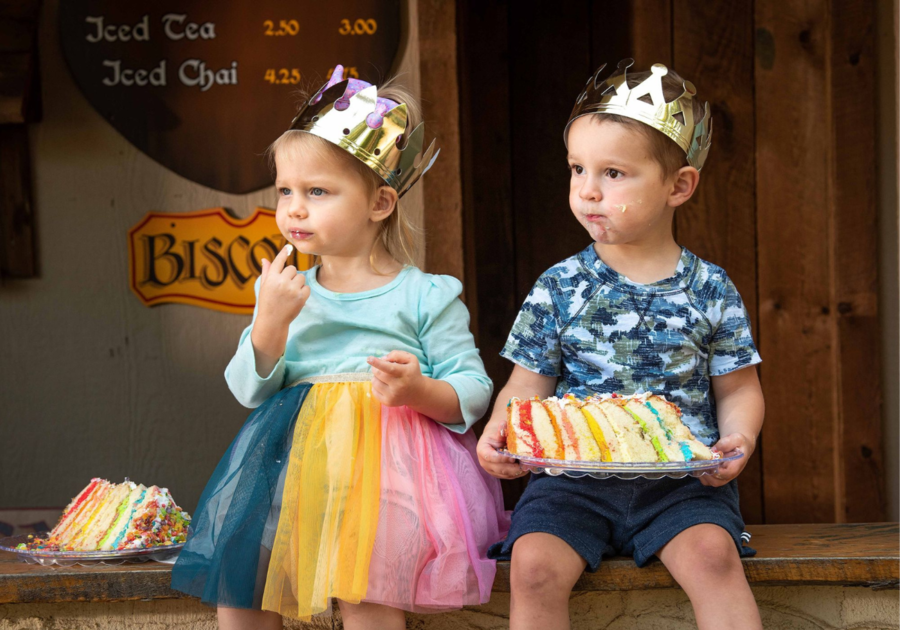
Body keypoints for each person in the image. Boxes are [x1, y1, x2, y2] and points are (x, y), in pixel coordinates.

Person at [172, 65, 509, 630]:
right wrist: (269, 323)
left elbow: (474, 392)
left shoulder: (425, 296)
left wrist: (418, 390)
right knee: (242, 586)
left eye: (317, 192)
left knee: (367, 595)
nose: (293, 209)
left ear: (379, 203)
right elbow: (247, 390)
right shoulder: (287, 291)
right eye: (285, 191)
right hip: (292, 483)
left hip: (392, 491)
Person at [477, 59, 765, 630]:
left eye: (613, 174)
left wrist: (741, 436)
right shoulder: (559, 286)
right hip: (571, 484)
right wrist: (498, 432)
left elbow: (739, 387)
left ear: (678, 186)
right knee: (532, 567)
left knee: (713, 557)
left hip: (681, 482)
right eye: (577, 169)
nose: (587, 190)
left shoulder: (710, 287)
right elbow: (527, 386)